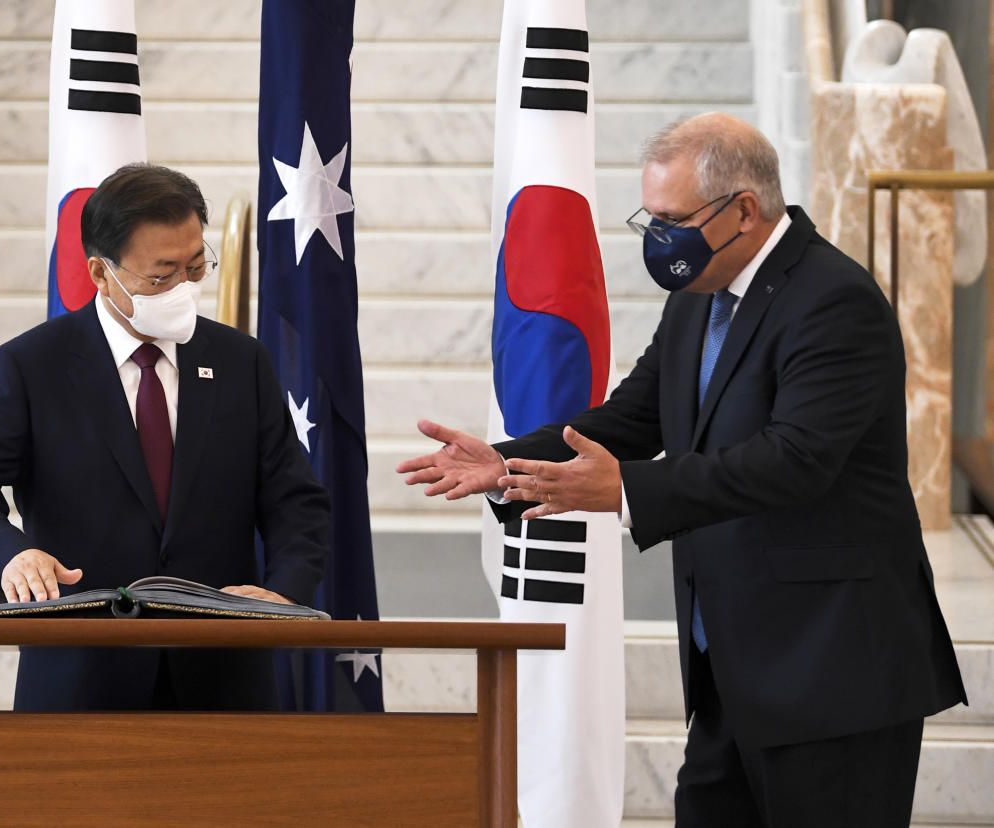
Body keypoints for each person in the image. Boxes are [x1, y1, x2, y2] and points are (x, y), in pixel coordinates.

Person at [397, 113, 966, 827]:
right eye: (650, 219)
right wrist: (510, 461)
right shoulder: (699, 295)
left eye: (671, 220)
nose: (658, 238)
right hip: (733, 671)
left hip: (831, 675)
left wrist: (628, 491)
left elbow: (794, 462)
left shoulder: (833, 299)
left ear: (744, 212)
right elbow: (635, 417)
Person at [0, 163, 329, 712]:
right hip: (81, 671)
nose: (184, 288)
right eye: (161, 276)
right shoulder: (32, 366)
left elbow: (295, 500)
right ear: (101, 273)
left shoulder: (242, 362)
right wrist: (12, 557)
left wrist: (282, 594)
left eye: (195, 267)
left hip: (221, 670)